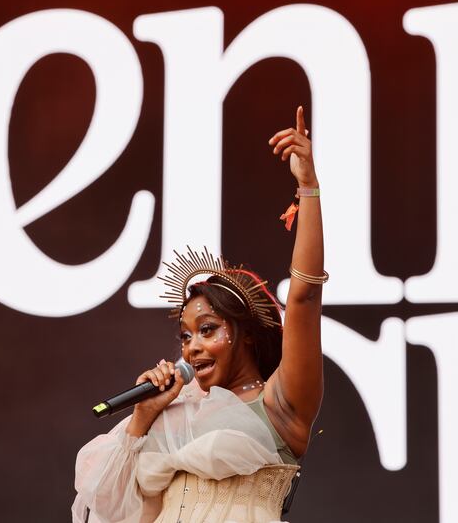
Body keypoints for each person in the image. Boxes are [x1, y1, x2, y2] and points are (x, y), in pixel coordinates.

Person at [72, 106, 326, 523]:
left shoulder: (281, 403)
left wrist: (309, 188)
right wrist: (143, 415)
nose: (192, 348)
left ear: (243, 334)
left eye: (207, 330)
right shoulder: (172, 414)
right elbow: (106, 505)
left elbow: (304, 299)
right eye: (185, 336)